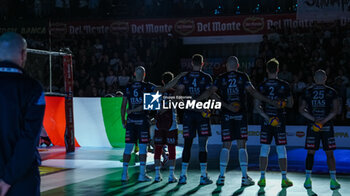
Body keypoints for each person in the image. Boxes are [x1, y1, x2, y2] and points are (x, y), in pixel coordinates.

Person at [198, 56, 279, 186]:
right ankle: (244, 177)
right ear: (238, 65)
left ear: (226, 66)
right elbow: (252, 92)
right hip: (240, 114)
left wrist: (223, 104)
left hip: (226, 115)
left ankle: (221, 177)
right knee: (242, 146)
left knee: (226, 146)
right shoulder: (243, 76)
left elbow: (210, 93)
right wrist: (269, 101)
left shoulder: (221, 78)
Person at [0, 32, 46, 196]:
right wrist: (7, 180)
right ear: (23, 54)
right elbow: (29, 139)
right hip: (22, 180)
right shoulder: (33, 88)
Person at [121, 66, 185, 182]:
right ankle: (143, 174)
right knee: (144, 148)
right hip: (147, 122)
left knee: (128, 148)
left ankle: (124, 174)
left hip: (133, 121)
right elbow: (165, 91)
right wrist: (179, 77)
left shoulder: (128, 87)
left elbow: (123, 105)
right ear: (144, 75)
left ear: (135, 74)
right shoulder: (148, 87)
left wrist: (123, 119)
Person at [299, 69, 341, 190]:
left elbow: (301, 110)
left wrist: (314, 119)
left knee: (310, 153)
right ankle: (333, 181)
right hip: (326, 126)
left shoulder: (308, 91)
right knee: (330, 154)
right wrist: (323, 121)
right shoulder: (331, 92)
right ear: (325, 78)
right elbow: (335, 111)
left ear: (314, 79)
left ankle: (307, 180)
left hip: (313, 126)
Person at [255, 58, 294, 188]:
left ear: (267, 70)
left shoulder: (261, 86)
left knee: (264, 149)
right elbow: (291, 104)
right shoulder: (284, 85)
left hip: (267, 121)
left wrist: (267, 118)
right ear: (278, 70)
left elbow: (257, 107)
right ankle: (284, 179)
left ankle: (262, 178)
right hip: (280, 121)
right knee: (281, 149)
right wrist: (282, 103)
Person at [176, 54, 213, 185]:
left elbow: (177, 95)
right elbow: (209, 93)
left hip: (188, 115)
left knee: (187, 145)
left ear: (192, 63)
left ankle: (182, 176)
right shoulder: (206, 77)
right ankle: (203, 176)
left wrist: (190, 102)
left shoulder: (185, 77)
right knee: (203, 145)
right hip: (202, 114)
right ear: (203, 64)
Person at [153, 72, 178, 183]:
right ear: (172, 81)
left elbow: (150, 108)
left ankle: (157, 175)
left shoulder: (156, 91)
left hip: (159, 124)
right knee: (171, 149)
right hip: (171, 124)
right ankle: (171, 175)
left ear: (162, 81)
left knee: (158, 149)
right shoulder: (175, 92)